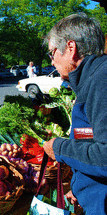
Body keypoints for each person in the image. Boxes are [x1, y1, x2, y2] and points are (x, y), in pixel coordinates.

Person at [43, 13, 107, 215]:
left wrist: (60, 148)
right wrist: (82, 185)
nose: (52, 61)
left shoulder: (101, 81)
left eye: (52, 53)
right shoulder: (92, 78)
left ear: (70, 49)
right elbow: (92, 139)